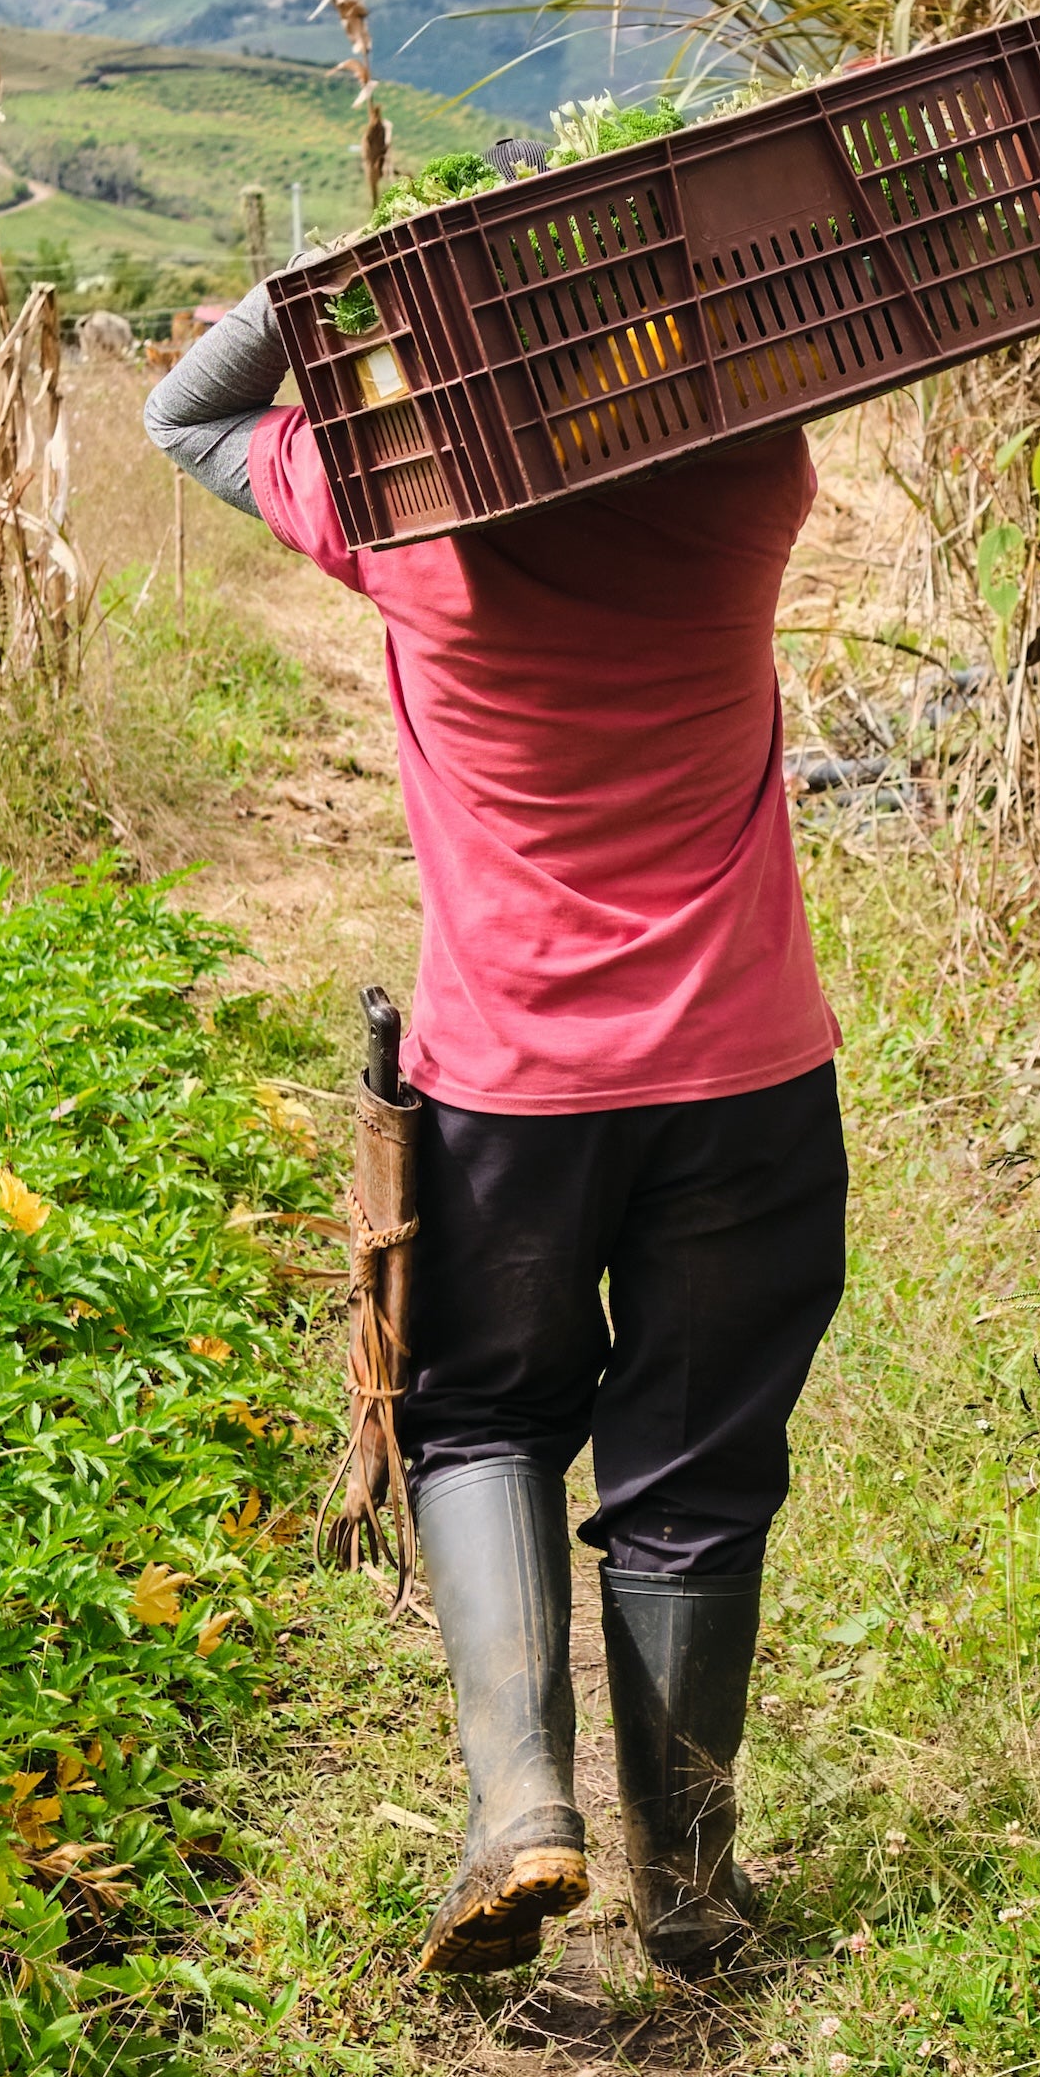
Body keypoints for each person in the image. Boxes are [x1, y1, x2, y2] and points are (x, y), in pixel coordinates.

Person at [146, 278, 846, 1981]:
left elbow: (191, 410)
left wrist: (348, 289)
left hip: (508, 1090)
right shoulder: (742, 490)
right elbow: (784, 332)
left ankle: (518, 1806)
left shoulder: (411, 523)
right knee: (696, 1475)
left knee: (478, 1419)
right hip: (743, 1077)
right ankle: (686, 1878)